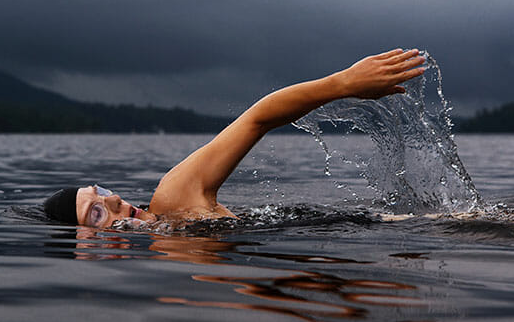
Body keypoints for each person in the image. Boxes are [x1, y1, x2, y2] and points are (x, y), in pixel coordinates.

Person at [43, 48, 426, 228]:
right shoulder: (171, 268)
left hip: (405, 226)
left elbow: (256, 119)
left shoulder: (174, 199)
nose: (113, 199)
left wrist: (342, 84)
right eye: (96, 212)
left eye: (101, 191)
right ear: (86, 247)